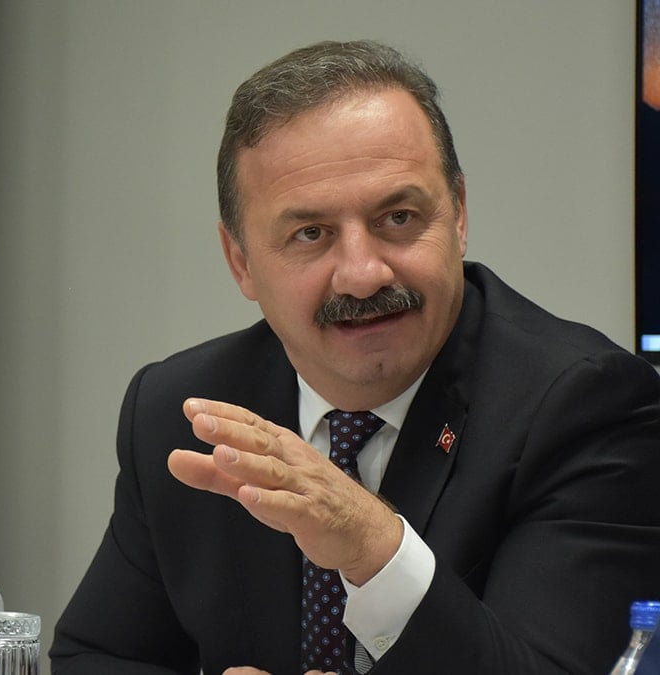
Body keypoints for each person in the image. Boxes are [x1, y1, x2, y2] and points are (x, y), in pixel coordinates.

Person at [49, 40, 660, 675]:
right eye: (310, 234)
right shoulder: (186, 409)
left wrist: (373, 545)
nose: (363, 274)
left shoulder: (587, 405)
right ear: (241, 262)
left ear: (458, 216)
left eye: (398, 217)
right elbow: (94, 657)